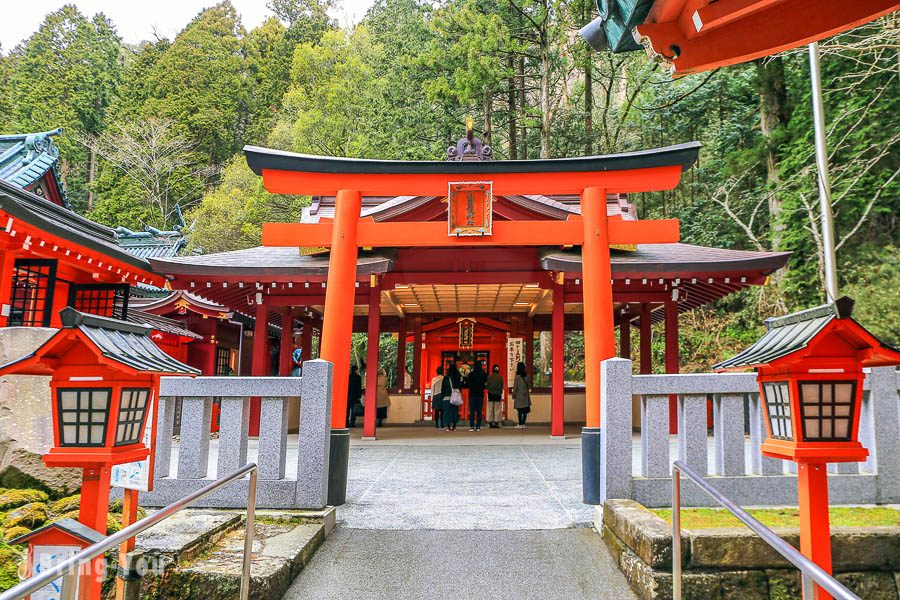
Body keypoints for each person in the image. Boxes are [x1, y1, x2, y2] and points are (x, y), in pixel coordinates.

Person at [466, 360, 487, 431]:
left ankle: (472, 426)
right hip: (480, 394)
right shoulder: (483, 374)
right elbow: (485, 383)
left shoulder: (471, 374)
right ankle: (478, 426)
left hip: (472, 394)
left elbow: (467, 383)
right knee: (479, 411)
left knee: (472, 411)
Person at [442, 363, 462, 431]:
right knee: (454, 411)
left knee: (447, 412)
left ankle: (448, 426)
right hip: (455, 396)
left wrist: (443, 396)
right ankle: (454, 426)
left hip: (447, 396)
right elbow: (459, 387)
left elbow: (443, 388)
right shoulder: (457, 377)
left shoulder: (446, 377)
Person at [512, 361, 531, 429]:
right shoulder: (527, 376)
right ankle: (523, 424)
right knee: (525, 411)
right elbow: (529, 386)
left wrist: (513, 395)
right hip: (525, 396)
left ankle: (520, 424)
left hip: (519, 395)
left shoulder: (517, 377)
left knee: (520, 410)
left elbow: (515, 387)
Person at [486, 364, 504, 428]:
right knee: (497, 408)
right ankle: (496, 422)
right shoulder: (500, 377)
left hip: (490, 394)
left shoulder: (489, 377)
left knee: (490, 408)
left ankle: (490, 422)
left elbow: (487, 385)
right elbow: (501, 386)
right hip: (498, 394)